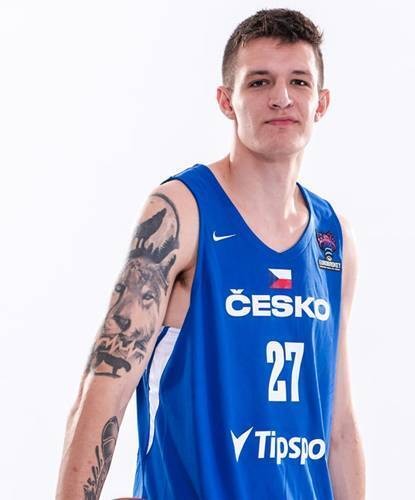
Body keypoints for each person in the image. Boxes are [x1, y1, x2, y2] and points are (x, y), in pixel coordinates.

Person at [56, 8, 365, 500]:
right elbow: (107, 381)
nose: (282, 98)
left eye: (299, 82)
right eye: (259, 82)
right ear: (227, 100)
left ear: (321, 102)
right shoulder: (183, 210)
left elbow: (339, 426)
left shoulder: (333, 238)